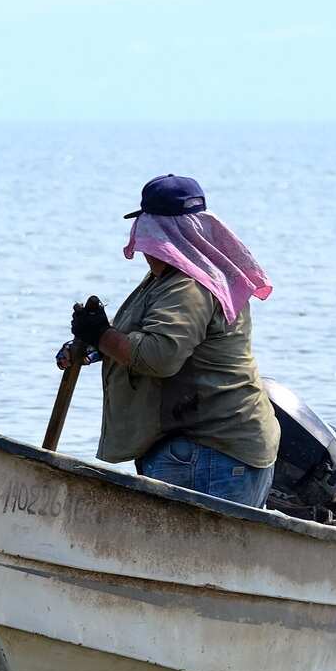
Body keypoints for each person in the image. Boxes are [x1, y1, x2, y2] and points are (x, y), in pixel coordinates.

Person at [61, 174, 280, 506]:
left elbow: (159, 356)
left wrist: (101, 334)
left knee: (189, 558)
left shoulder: (188, 286)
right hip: (218, 450)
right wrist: (92, 348)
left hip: (206, 453)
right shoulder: (183, 277)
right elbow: (151, 336)